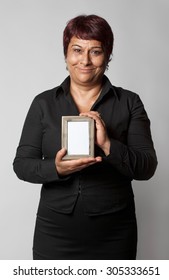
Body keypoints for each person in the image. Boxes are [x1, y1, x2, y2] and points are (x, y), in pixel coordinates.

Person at [13, 14, 157, 260]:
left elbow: (147, 168)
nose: (85, 61)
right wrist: (56, 168)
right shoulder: (43, 103)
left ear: (108, 56)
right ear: (66, 54)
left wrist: (108, 145)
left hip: (114, 231)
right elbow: (22, 165)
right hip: (54, 231)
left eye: (96, 51)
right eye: (77, 50)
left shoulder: (130, 102)